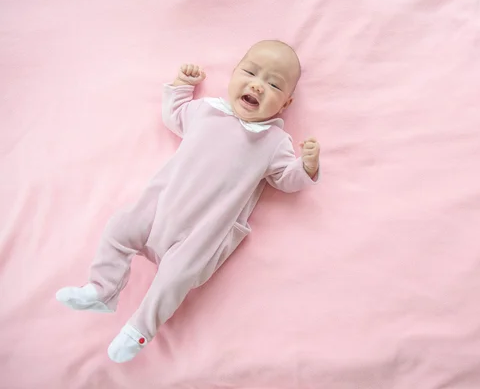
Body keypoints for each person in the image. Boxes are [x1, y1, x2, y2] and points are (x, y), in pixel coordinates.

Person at [56, 40, 320, 363]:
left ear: (285, 103)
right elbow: (174, 115)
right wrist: (182, 85)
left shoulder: (274, 141)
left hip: (202, 234)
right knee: (119, 227)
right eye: (251, 72)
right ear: (235, 74)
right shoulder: (207, 110)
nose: (257, 84)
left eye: (273, 84)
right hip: (158, 208)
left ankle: (139, 328)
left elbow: (285, 178)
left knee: (176, 278)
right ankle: (102, 289)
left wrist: (305, 166)